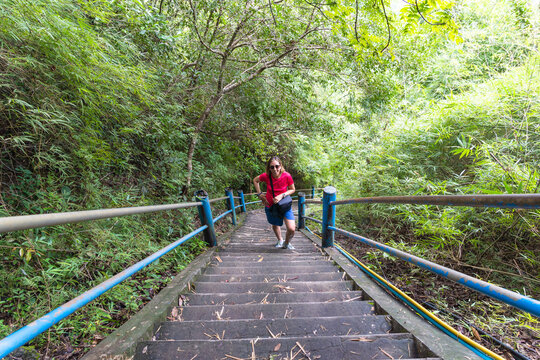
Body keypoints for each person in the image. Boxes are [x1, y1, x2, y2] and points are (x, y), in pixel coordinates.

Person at [253, 156, 296, 249]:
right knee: (275, 224)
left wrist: (282, 195)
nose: (275, 169)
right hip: (271, 204)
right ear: (269, 168)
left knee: (292, 228)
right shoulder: (266, 176)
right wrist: (260, 194)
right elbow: (255, 180)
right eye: (272, 167)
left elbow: (292, 189)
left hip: (284, 204)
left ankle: (287, 243)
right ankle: (280, 240)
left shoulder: (287, 175)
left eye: (277, 166)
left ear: (280, 166)